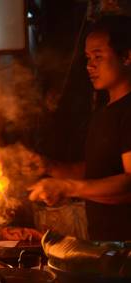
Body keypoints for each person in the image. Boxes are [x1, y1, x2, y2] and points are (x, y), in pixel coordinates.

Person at [28, 15, 131, 241]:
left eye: (98, 56)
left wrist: (67, 187)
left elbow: (128, 183)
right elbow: (97, 170)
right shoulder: (105, 112)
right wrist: (50, 167)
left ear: (126, 57)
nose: (89, 65)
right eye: (87, 57)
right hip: (106, 245)